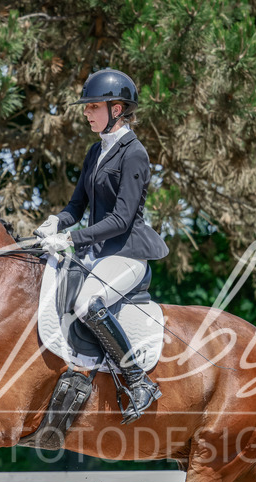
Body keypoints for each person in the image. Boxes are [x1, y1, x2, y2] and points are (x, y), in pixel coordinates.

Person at [36, 68, 168, 424]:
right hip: (97, 255)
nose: (86, 112)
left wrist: (72, 238)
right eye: (87, 106)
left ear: (118, 109)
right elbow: (76, 207)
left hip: (127, 254)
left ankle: (139, 381)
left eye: (93, 106)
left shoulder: (133, 153)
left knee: (87, 303)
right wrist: (56, 222)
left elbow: (122, 219)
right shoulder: (96, 151)